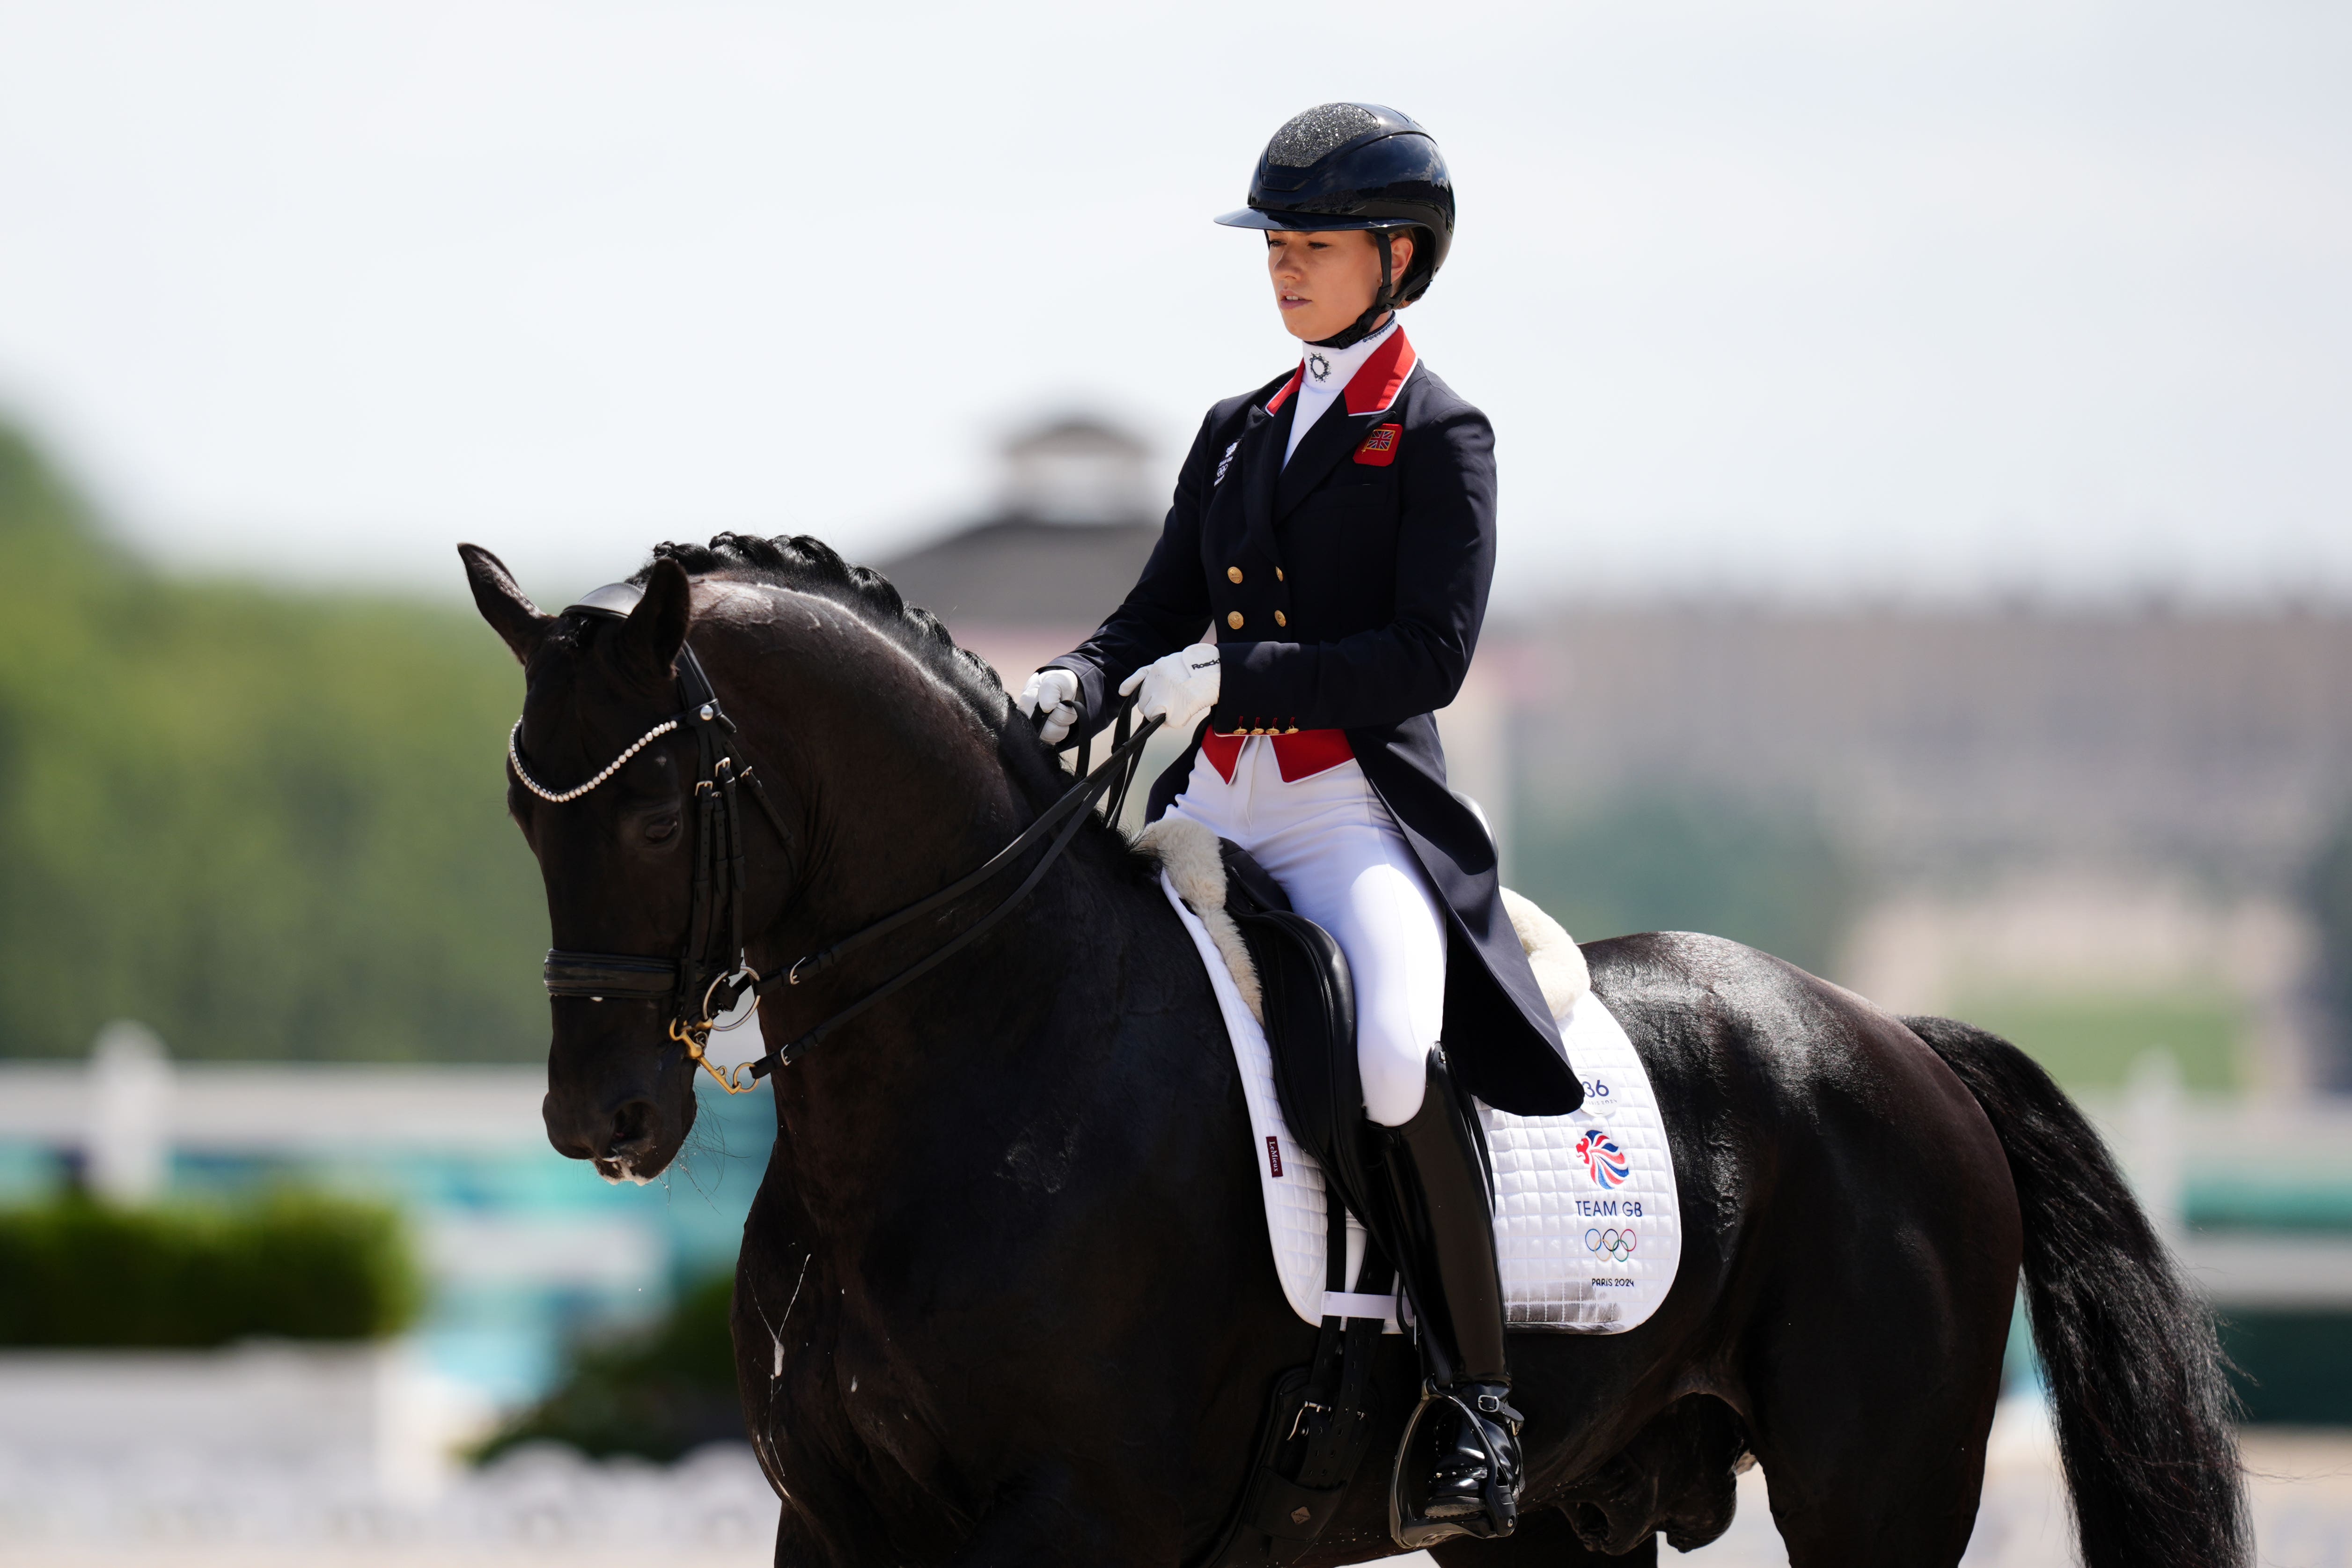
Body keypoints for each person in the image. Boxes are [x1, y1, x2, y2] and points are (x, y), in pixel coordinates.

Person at [1018, 103, 1581, 1546]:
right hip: (1211, 798)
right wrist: (1075, 681)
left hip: (1343, 807)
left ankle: (1477, 1403)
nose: (1282, 267)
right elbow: (1155, 612)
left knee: (1390, 1056)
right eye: (1274, 242)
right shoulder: (1238, 430)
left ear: (1398, 258)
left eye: (1311, 245)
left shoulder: (1439, 432)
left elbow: (1428, 655)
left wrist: (1244, 673)